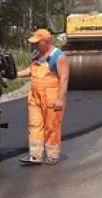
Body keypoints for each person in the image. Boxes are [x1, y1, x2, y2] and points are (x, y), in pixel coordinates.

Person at [16, 29, 70, 165]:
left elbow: (64, 78)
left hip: (52, 97)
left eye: (37, 43)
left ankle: (52, 155)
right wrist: (15, 74)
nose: (34, 45)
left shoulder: (58, 57)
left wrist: (60, 99)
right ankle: (35, 155)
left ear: (46, 42)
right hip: (35, 96)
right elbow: (31, 70)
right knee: (34, 125)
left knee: (51, 127)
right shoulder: (36, 55)